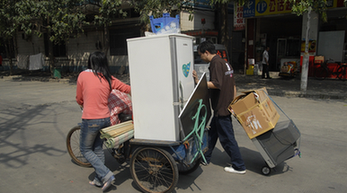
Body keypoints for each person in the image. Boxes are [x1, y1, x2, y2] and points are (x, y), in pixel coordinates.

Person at [76, 51, 131, 191]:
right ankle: (98, 180)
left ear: (90, 62)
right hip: (106, 119)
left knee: (85, 149)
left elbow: (79, 98)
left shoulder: (83, 75)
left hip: (91, 119)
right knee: (98, 148)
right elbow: (126, 88)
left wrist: (83, 103)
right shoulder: (108, 78)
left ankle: (106, 174)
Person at [192, 41, 246, 174]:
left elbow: (217, 84)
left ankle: (239, 166)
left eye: (201, 55)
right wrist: (233, 103)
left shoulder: (215, 63)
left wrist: (199, 82)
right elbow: (233, 85)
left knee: (227, 138)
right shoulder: (225, 63)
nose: (201, 58)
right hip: (224, 105)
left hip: (221, 107)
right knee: (211, 134)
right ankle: (206, 157)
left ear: (206, 52)